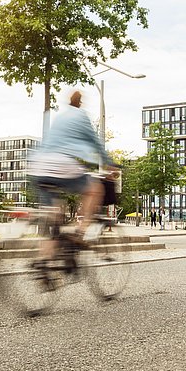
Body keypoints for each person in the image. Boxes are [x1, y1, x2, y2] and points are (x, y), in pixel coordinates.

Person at [29, 90, 116, 256]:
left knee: (54, 217)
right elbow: (94, 141)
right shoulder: (81, 116)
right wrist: (109, 164)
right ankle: (80, 232)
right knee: (95, 189)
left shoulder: (59, 116)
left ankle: (44, 264)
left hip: (39, 166)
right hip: (61, 164)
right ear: (80, 103)